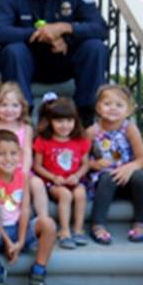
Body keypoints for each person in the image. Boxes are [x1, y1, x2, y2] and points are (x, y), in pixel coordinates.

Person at [0, 0, 108, 124]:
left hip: (64, 59)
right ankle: (23, 118)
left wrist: (64, 29)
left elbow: (100, 28)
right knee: (12, 51)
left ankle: (86, 116)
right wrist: (43, 36)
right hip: (30, 63)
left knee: (95, 47)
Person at [0, 129, 57, 285]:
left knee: (48, 224)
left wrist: (20, 241)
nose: (8, 159)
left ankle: (38, 272)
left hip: (19, 228)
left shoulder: (23, 177)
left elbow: (25, 210)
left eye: (13, 153)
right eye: (1, 154)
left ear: (20, 154)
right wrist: (7, 240)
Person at [87, 84, 143, 245]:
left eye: (119, 105)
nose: (113, 109)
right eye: (107, 104)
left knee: (141, 177)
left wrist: (129, 168)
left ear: (128, 111)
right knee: (108, 178)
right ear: (98, 108)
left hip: (127, 181)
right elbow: (80, 160)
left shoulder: (129, 128)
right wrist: (93, 164)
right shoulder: (91, 132)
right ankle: (98, 223)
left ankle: (142, 220)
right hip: (104, 184)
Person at [0, 82, 49, 220]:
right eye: (3, 105)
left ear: (22, 107)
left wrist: (24, 174)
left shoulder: (26, 128)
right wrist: (1, 173)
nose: (9, 109)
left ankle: (43, 220)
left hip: (22, 171)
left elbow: (27, 152)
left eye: (15, 105)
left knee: (37, 184)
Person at [32, 95, 91, 249]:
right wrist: (53, 177)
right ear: (50, 121)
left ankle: (78, 229)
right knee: (65, 194)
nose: (65, 125)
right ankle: (64, 231)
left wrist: (77, 176)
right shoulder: (43, 141)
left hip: (74, 179)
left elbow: (86, 164)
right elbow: (37, 166)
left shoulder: (80, 140)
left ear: (75, 121)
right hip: (53, 182)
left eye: (69, 121)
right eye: (59, 121)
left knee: (80, 193)